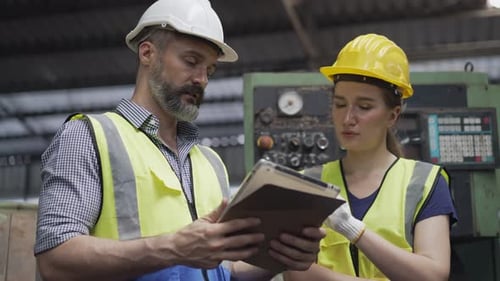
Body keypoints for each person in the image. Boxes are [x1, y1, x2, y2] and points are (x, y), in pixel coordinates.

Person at [34, 0, 326, 280]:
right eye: (191, 61)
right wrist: (173, 248)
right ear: (147, 53)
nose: (202, 79)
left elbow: (223, 271)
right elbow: (55, 258)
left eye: (209, 69)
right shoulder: (89, 136)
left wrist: (279, 259)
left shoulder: (211, 163)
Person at [283, 33, 457, 281]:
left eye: (364, 107)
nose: (347, 118)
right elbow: (296, 274)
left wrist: (353, 230)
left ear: (393, 115)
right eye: (340, 104)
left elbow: (432, 274)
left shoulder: (425, 182)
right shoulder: (309, 183)